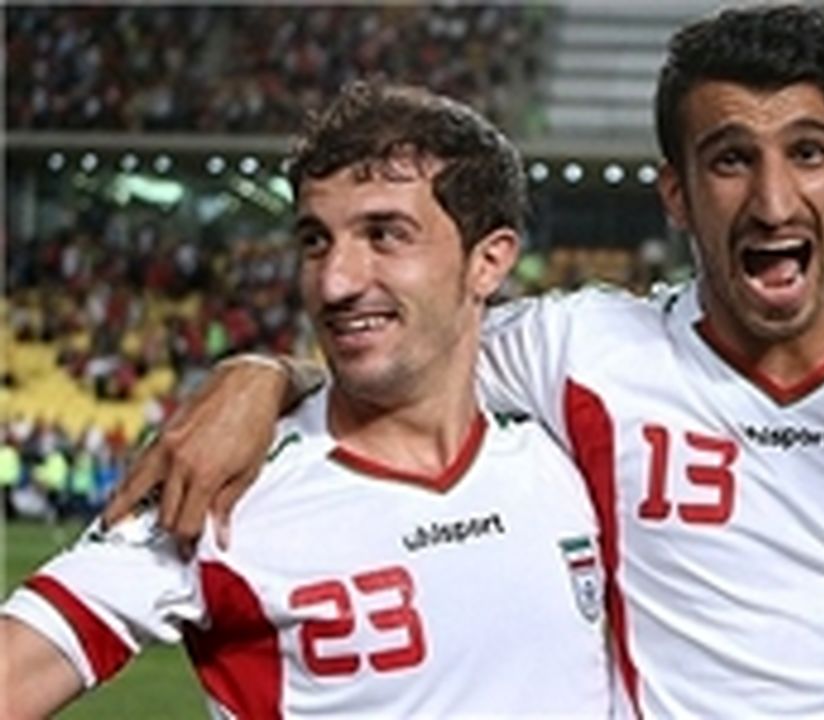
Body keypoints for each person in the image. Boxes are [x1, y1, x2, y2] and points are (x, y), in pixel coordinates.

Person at [105, 4, 824, 717]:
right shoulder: (582, 349)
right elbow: (402, 352)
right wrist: (257, 377)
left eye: (808, 153)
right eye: (730, 160)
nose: (774, 200)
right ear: (675, 192)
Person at [0, 81, 615, 718]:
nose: (335, 282)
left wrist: (268, 372)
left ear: (488, 261)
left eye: (385, 235)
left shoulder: (565, 451)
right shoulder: (223, 487)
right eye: (316, 241)